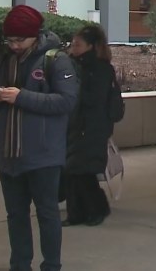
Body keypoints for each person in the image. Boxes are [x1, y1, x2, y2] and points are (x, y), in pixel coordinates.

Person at [0, 5, 79, 271]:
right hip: (8, 153)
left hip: (43, 155)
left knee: (47, 213)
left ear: (34, 36)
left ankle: (51, 265)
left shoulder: (56, 59)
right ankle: (19, 265)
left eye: (19, 40)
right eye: (10, 40)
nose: (14, 45)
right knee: (15, 215)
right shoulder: (4, 59)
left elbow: (67, 101)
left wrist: (21, 96)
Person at [62, 25, 116, 227]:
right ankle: (76, 213)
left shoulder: (100, 69)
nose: (73, 48)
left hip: (92, 127)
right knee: (72, 172)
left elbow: (96, 99)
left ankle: (96, 209)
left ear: (90, 46)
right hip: (76, 125)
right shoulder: (72, 66)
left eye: (78, 45)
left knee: (83, 172)